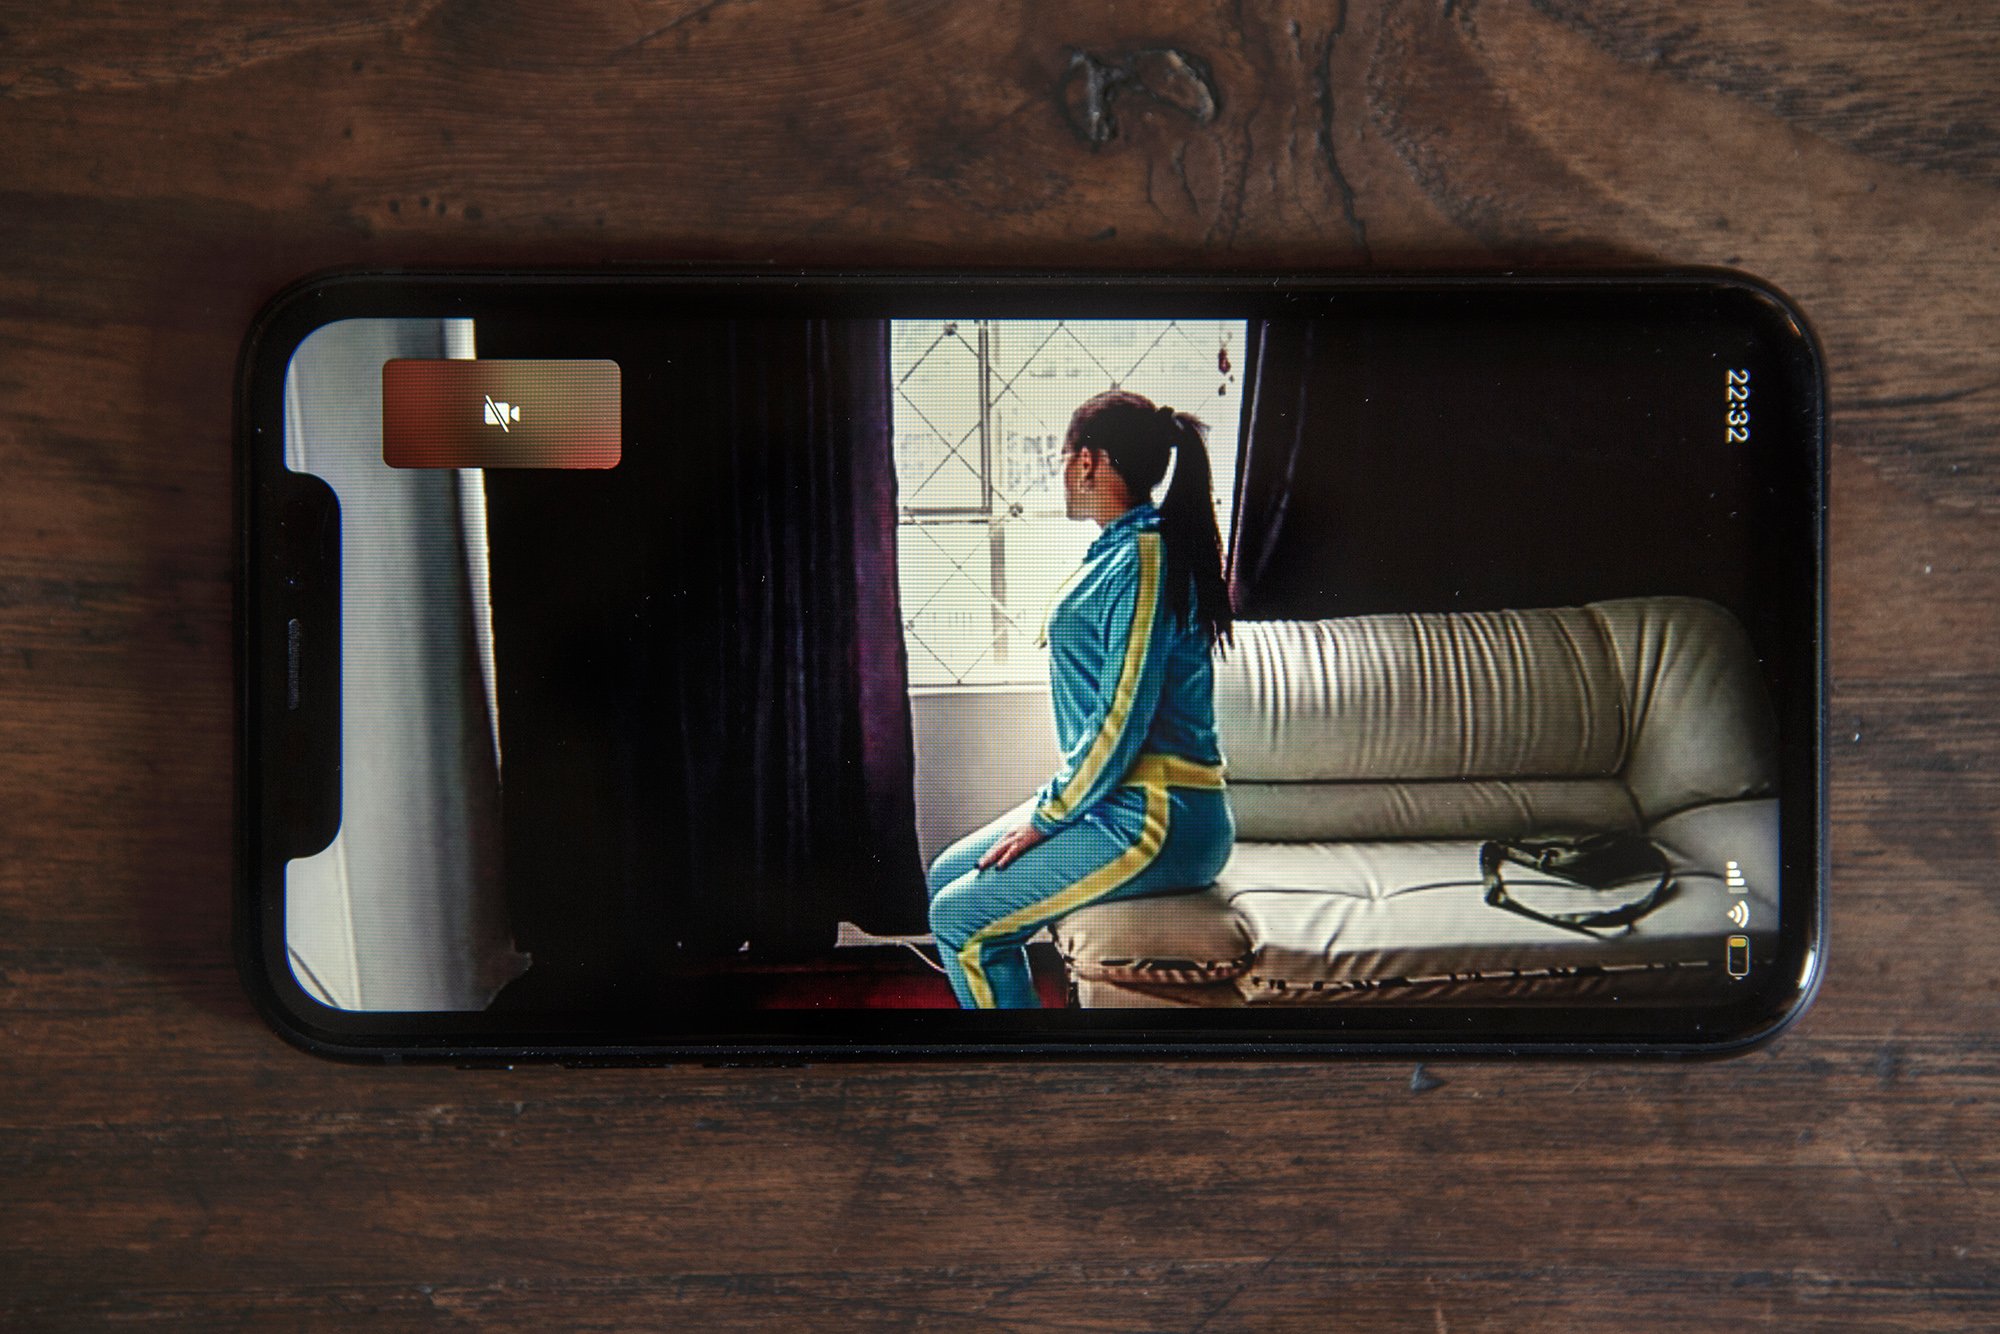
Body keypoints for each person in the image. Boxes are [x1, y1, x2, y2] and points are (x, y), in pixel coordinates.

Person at [925, 389, 1237, 1008]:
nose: (1061, 473)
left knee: (961, 920)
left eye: (1063, 459)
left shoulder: (1146, 558)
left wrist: (1048, 818)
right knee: (946, 877)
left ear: (1088, 461)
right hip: (1120, 802)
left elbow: (1122, 717)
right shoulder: (1122, 548)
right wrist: (1059, 809)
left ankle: (1023, 1069)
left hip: (1159, 816)